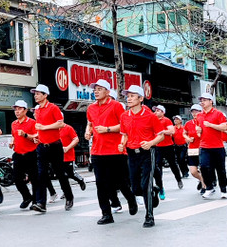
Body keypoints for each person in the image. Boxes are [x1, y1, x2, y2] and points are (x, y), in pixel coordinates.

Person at [84, 79, 137, 224]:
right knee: (101, 184)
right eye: (95, 89)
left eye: (100, 89)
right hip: (97, 151)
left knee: (121, 182)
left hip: (115, 151)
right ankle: (106, 214)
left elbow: (124, 126)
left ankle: (131, 200)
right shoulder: (91, 108)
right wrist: (88, 132)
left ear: (107, 92)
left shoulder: (116, 106)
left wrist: (107, 129)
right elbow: (90, 124)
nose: (96, 91)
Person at [119, 84, 164, 228]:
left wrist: (150, 143)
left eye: (132, 96)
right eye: (128, 96)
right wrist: (122, 144)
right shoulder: (124, 116)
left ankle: (149, 216)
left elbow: (161, 136)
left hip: (147, 152)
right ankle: (155, 190)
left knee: (145, 185)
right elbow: (124, 134)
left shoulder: (150, 116)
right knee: (135, 188)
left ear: (140, 98)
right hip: (132, 153)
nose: (129, 99)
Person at [31, 84, 74, 213]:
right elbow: (40, 127)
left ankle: (69, 197)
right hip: (42, 147)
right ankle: (41, 203)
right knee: (41, 175)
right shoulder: (37, 110)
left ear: (45, 95)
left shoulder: (53, 108)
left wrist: (44, 128)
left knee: (60, 173)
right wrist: (36, 136)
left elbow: (60, 123)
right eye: (35, 93)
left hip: (55, 146)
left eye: (38, 93)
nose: (36, 96)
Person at [197, 93, 227, 199]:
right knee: (204, 166)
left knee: (220, 169)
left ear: (211, 101)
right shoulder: (199, 115)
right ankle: (209, 187)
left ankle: (223, 189)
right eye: (201, 100)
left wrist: (211, 125)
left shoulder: (218, 114)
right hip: (204, 146)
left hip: (217, 146)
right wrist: (198, 131)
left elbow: (224, 127)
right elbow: (199, 130)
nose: (202, 102)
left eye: (204, 100)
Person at [10, 99, 39, 208]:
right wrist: (12, 142)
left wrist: (26, 135)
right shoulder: (14, 124)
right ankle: (27, 196)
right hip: (18, 154)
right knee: (16, 179)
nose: (17, 112)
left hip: (30, 154)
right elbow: (14, 135)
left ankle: (36, 201)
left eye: (19, 109)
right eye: (15, 110)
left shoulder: (32, 123)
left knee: (34, 179)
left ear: (25, 110)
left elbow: (37, 138)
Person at [152, 105, 183, 199]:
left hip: (168, 146)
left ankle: (178, 179)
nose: (156, 112)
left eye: (158, 110)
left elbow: (172, 131)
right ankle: (160, 186)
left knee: (173, 164)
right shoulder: (153, 120)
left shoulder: (167, 120)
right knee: (158, 166)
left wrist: (161, 131)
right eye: (155, 110)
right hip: (157, 146)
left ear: (163, 112)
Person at [184, 104, 205, 194]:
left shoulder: (204, 122)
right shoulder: (188, 123)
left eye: (196, 111)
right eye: (193, 111)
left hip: (203, 147)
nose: (194, 113)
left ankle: (205, 185)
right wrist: (188, 139)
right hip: (192, 149)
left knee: (204, 168)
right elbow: (184, 133)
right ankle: (202, 180)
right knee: (193, 171)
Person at [60, 122, 87, 190]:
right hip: (58, 156)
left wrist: (67, 147)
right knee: (61, 175)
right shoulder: (52, 130)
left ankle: (80, 180)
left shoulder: (68, 128)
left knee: (70, 173)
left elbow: (76, 139)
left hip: (68, 155)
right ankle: (65, 191)